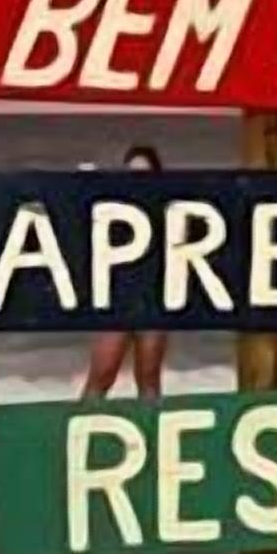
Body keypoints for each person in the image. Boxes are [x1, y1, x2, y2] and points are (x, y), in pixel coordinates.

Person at [79, 140, 170, 402]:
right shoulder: (114, 207)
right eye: (132, 173)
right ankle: (77, 434)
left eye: (144, 173)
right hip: (119, 300)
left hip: (154, 302)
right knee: (101, 375)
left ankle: (153, 437)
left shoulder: (166, 208)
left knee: (149, 381)